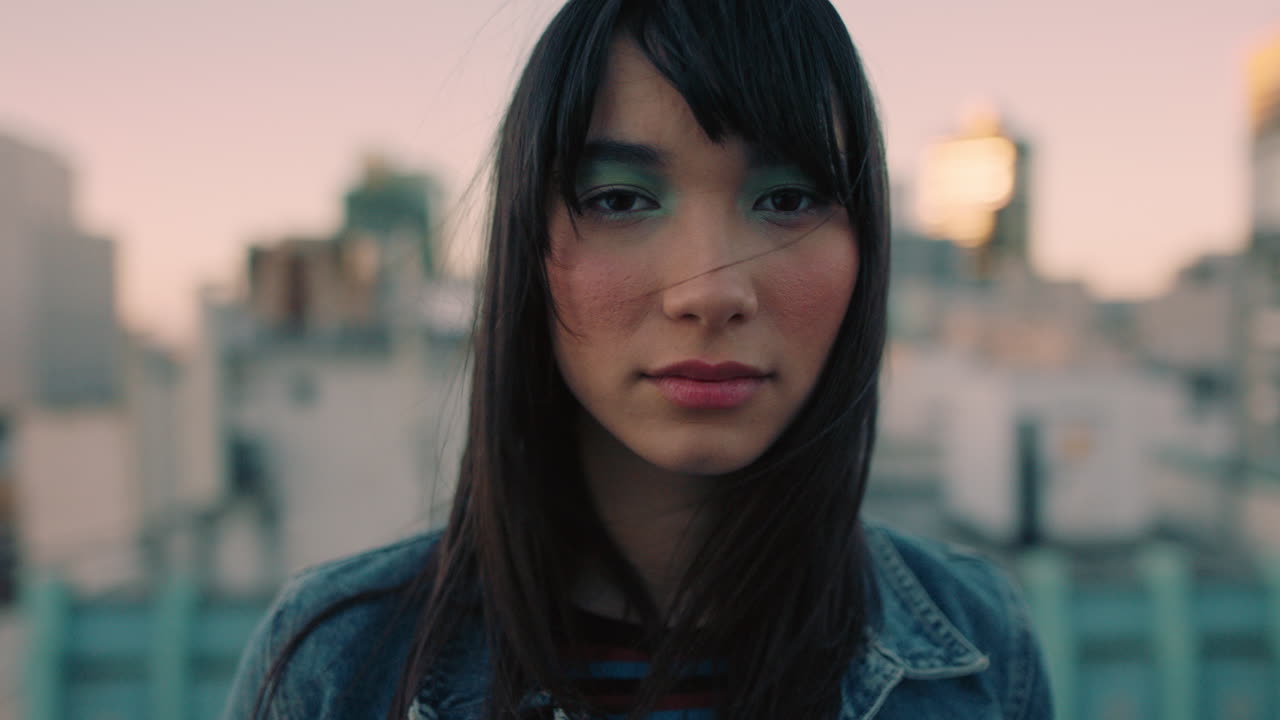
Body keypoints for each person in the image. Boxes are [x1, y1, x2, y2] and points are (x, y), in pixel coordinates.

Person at [223, 1, 1053, 718]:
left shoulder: (980, 649)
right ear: (525, 245)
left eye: (787, 198)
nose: (709, 290)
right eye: (620, 199)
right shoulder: (335, 666)